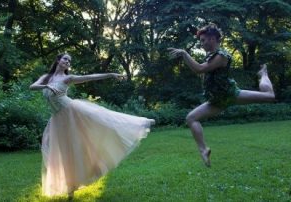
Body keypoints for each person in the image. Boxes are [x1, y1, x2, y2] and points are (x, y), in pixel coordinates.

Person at [30, 53, 155, 197]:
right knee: (66, 151)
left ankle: (140, 123)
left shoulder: (67, 78)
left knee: (103, 120)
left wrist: (110, 74)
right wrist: (48, 86)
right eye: (65, 59)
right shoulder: (46, 77)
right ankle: (71, 187)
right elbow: (32, 86)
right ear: (58, 60)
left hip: (72, 112)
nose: (68, 62)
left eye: (70, 60)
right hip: (58, 120)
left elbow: (90, 77)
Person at [168, 23, 275, 167]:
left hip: (230, 94)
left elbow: (199, 69)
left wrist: (184, 54)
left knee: (269, 96)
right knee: (191, 118)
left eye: (203, 40)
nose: (202, 44)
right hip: (216, 101)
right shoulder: (211, 56)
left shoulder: (222, 56)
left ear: (212, 39)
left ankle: (263, 74)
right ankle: (204, 150)